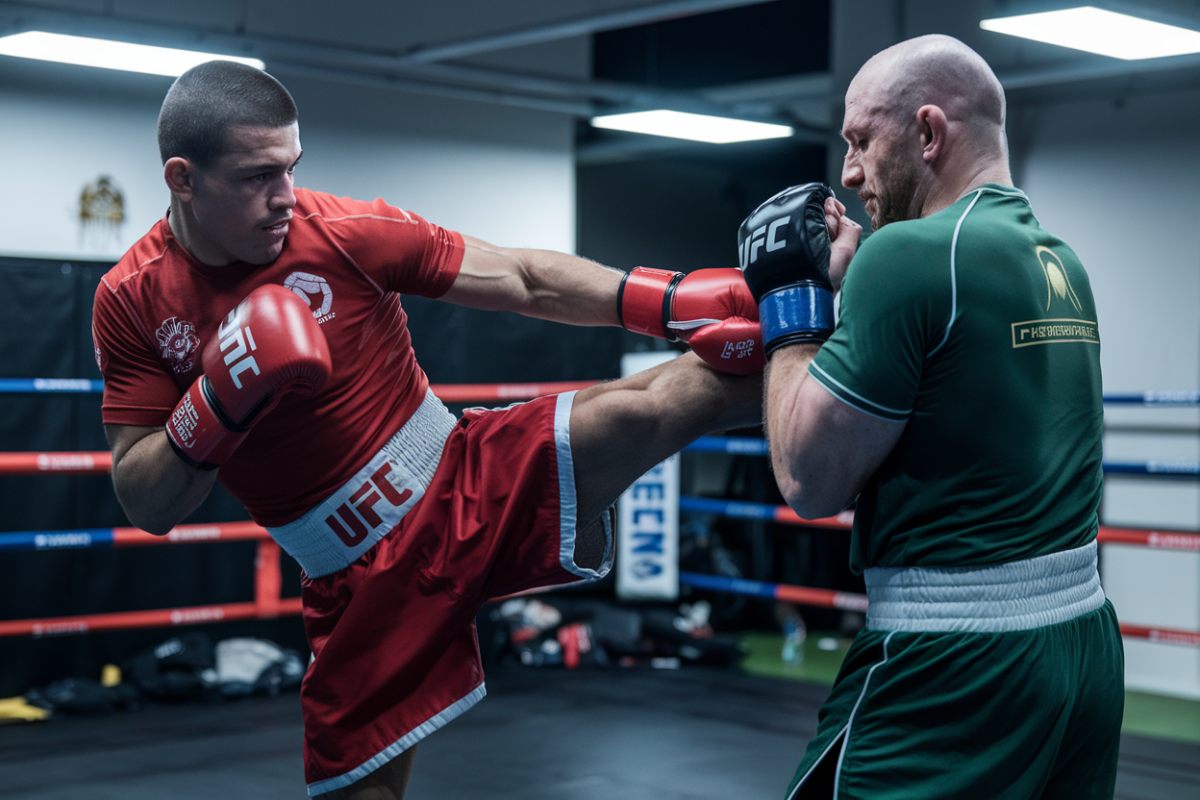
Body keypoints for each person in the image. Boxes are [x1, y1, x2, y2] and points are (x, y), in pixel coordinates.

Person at [92, 61, 765, 799]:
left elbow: (522, 277)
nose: (284, 197)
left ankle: (840, 349)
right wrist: (216, 404)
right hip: (351, 574)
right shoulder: (131, 300)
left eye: (291, 169)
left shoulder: (343, 232)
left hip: (462, 479)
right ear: (182, 179)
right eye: (257, 177)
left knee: (656, 404)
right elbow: (145, 502)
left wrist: (666, 301)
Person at [738, 35, 1122, 799]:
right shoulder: (1061, 262)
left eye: (859, 141)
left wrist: (794, 297)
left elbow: (808, 479)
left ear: (927, 132)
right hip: (1082, 646)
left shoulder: (908, 256)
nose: (847, 173)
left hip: (954, 666)